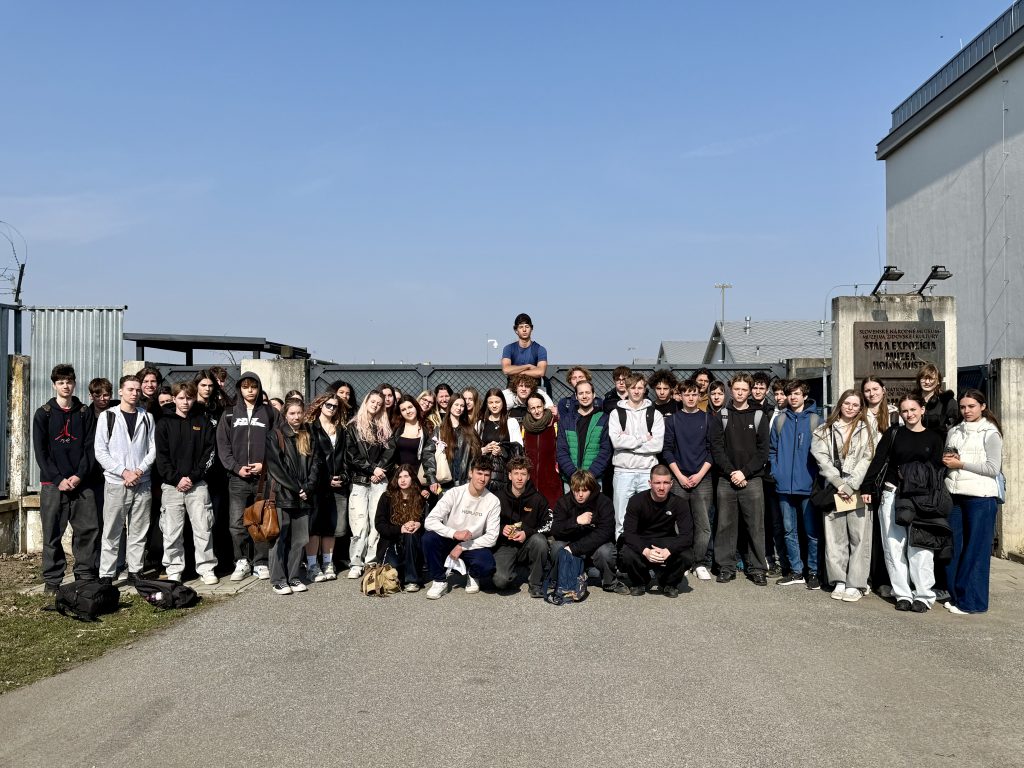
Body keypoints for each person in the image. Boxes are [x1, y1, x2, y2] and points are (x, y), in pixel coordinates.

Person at [862, 394, 946, 613]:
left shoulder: (934, 437)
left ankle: (924, 595)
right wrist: (867, 487)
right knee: (893, 545)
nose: (909, 414)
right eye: (905, 411)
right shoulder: (893, 434)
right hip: (892, 493)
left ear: (922, 410)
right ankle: (903, 594)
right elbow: (878, 461)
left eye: (913, 409)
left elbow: (937, 469)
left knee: (921, 546)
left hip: (922, 498)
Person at [32, 363, 99, 592]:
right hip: (53, 484)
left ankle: (85, 575)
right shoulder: (43, 414)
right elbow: (41, 452)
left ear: (74, 383)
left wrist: (79, 475)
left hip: (82, 483)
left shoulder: (84, 412)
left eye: (69, 382)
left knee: (87, 530)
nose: (65, 386)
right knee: (52, 533)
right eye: (61, 382)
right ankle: (52, 580)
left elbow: (90, 448)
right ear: (54, 385)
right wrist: (58, 478)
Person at [942, 389, 1003, 614]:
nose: (966, 411)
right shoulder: (954, 431)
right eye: (963, 407)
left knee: (976, 551)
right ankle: (957, 596)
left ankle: (973, 603)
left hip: (981, 498)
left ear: (982, 407)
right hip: (955, 495)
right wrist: (948, 461)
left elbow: (993, 468)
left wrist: (961, 464)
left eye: (971, 406)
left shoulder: (990, 432)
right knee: (954, 548)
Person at [811, 390, 874, 602]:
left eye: (855, 405)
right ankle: (838, 579)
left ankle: (856, 583)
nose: (850, 408)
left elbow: (868, 458)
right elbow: (822, 459)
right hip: (834, 488)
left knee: (859, 538)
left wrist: (851, 484)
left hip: (857, 488)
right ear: (840, 404)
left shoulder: (867, 429)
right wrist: (839, 483)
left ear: (860, 408)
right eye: (847, 403)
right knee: (835, 538)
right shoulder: (823, 430)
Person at [154, 381, 219, 585]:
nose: (185, 402)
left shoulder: (203, 422)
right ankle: (174, 569)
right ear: (174, 399)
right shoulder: (163, 423)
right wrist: (176, 479)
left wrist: (193, 477)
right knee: (171, 531)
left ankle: (206, 568)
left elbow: (209, 453)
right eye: (181, 398)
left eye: (189, 398)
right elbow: (161, 456)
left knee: (203, 528)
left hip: (197, 485)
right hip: (171, 486)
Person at [216, 372, 279, 582]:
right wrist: (236, 468)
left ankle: (261, 562)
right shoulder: (229, 414)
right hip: (238, 479)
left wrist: (265, 465)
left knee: (261, 519)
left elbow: (278, 443)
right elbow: (223, 445)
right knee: (236, 523)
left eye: (254, 386)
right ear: (240, 389)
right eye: (245, 387)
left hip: (263, 479)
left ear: (259, 388)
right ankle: (241, 561)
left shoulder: (270, 413)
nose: (250, 391)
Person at [94, 375, 156, 583]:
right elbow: (100, 451)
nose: (134, 393)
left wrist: (139, 471)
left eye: (137, 390)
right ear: (121, 391)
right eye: (130, 389)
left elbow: (153, 449)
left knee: (139, 530)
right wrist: (123, 472)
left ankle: (135, 571)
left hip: (142, 482)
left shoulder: (147, 417)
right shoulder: (108, 417)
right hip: (116, 483)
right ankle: (107, 574)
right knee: (112, 530)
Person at [709, 374, 770, 586]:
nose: (740, 393)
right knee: (725, 525)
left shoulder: (759, 416)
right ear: (731, 390)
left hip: (752, 480)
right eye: (737, 389)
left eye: (744, 389)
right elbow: (717, 449)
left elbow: (763, 452)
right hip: (726, 479)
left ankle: (757, 568)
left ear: (750, 391)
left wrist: (744, 473)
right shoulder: (722, 415)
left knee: (755, 526)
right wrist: (732, 473)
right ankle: (726, 567)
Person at [422, 458, 501, 599]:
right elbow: (430, 521)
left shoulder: (493, 501)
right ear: (471, 473)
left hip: (473, 544)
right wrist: (454, 533)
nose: (482, 479)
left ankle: (473, 574)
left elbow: (492, 537)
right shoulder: (454, 493)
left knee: (487, 565)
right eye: (479, 473)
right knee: (429, 538)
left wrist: (462, 546)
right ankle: (439, 580)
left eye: (486, 475)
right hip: (449, 539)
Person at [770, 380, 823, 590]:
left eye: (797, 394)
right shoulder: (780, 420)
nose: (793, 397)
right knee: (788, 530)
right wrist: (776, 471)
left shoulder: (816, 420)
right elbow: (772, 449)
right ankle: (796, 571)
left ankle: (813, 571)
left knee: (811, 531)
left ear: (804, 396)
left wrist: (815, 477)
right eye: (790, 394)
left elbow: (823, 453)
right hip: (784, 485)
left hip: (807, 484)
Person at [265, 401, 319, 595]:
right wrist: (297, 488)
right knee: (279, 538)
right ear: (285, 415)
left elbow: (316, 463)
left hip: (304, 496)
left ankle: (294, 577)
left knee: (300, 539)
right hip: (283, 494)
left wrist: (308, 487)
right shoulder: (275, 435)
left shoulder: (309, 434)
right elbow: (276, 468)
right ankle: (278, 579)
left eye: (299, 413)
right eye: (292, 413)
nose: (296, 417)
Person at [663, 379, 714, 581]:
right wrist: (679, 476)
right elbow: (667, 450)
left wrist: (699, 475)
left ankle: (698, 562)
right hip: (679, 478)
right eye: (687, 394)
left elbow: (712, 451)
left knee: (703, 524)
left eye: (694, 394)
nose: (691, 398)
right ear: (680, 396)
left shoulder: (708, 419)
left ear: (699, 396)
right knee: (678, 523)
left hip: (703, 478)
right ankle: (681, 560)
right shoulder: (673, 420)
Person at [618, 465, 694, 597]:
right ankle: (640, 582)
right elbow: (629, 533)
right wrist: (646, 551)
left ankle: (669, 583)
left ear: (671, 484)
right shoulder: (636, 501)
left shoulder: (680, 503)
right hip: (643, 540)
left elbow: (687, 535)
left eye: (666, 483)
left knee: (687, 555)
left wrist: (669, 550)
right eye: (657, 483)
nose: (661, 487)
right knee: (627, 553)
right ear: (650, 483)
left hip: (667, 541)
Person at [344, 390, 396, 578]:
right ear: (366, 402)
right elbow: (351, 455)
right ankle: (356, 563)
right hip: (359, 481)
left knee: (376, 522)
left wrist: (380, 469)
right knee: (359, 524)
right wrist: (372, 469)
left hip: (380, 481)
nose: (376, 405)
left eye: (379, 403)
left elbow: (391, 451)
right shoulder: (353, 427)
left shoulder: (384, 427)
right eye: (373, 401)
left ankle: (371, 561)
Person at [608, 373, 665, 539]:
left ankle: (646, 551)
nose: (636, 391)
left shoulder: (655, 414)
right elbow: (616, 442)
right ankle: (622, 551)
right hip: (623, 471)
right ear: (627, 389)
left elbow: (657, 445)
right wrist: (643, 439)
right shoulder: (616, 413)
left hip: (647, 471)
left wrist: (628, 442)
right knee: (621, 518)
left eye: (640, 387)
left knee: (648, 517)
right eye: (633, 387)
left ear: (645, 389)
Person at [304, 393, 348, 582]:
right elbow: (310, 457)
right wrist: (325, 479)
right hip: (317, 484)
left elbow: (345, 456)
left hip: (338, 485)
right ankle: (312, 565)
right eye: (328, 405)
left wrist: (343, 476)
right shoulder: (310, 427)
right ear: (320, 405)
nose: (331, 408)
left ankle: (328, 563)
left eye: (335, 406)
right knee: (314, 526)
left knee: (332, 526)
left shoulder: (341, 429)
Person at [492, 456, 551, 596]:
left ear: (528, 476)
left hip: (528, 543)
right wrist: (501, 528)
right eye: (516, 473)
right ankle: (513, 572)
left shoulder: (538, 498)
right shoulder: (497, 497)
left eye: (523, 474)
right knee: (500, 581)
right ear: (509, 475)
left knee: (539, 540)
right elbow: (486, 523)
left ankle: (535, 583)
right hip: (505, 545)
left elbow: (549, 524)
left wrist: (527, 532)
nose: (519, 478)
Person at [550, 470, 617, 592]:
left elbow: (605, 532)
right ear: (572, 489)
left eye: (584, 490)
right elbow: (555, 530)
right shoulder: (564, 502)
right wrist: (576, 521)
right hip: (571, 542)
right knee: (556, 547)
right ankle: (557, 579)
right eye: (577, 490)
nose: (580, 495)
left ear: (591, 489)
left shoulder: (604, 502)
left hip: (594, 546)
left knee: (606, 551)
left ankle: (609, 582)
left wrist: (574, 548)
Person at [373, 465, 427, 592]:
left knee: (411, 535)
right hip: (392, 543)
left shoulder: (420, 498)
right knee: (394, 574)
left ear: (412, 478)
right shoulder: (387, 497)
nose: (402, 480)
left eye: (406, 476)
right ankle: (405, 573)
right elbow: (379, 524)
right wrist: (400, 529)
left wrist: (419, 524)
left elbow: (430, 522)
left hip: (412, 544)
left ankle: (412, 580)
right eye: (399, 477)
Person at [555, 379, 611, 489]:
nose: (584, 396)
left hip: (594, 479)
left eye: (587, 392)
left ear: (594, 395)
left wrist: (589, 476)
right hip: (571, 479)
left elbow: (605, 450)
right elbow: (561, 450)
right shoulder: (566, 420)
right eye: (581, 393)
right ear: (576, 396)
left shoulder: (604, 419)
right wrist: (574, 475)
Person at [476, 387, 523, 493]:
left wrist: (502, 451)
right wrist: (484, 450)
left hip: (504, 473)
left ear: (503, 403)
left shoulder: (511, 422)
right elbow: (473, 450)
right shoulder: (480, 424)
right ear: (487, 404)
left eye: (497, 402)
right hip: (484, 472)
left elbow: (518, 448)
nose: (494, 405)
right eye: (490, 402)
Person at [520, 393, 561, 507]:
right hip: (530, 477)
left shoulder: (554, 423)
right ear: (528, 410)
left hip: (551, 475)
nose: (537, 411)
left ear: (544, 406)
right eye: (533, 408)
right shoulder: (524, 426)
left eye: (539, 407)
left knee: (551, 508)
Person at [394, 395, 439, 495]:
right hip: (400, 480)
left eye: (410, 407)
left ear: (416, 406)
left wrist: (431, 479)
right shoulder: (396, 428)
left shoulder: (427, 427)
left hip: (420, 480)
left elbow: (428, 455)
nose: (408, 411)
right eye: (403, 410)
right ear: (400, 413)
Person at [437, 394, 481, 487]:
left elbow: (477, 453)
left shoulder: (469, 429)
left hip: (465, 481)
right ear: (450, 406)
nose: (459, 408)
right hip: (445, 481)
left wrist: (472, 471)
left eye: (462, 406)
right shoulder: (440, 430)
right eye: (456, 405)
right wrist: (432, 479)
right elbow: (428, 454)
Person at [501, 312, 548, 381]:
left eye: (527, 327)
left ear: (531, 329)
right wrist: (528, 366)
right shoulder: (509, 348)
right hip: (513, 386)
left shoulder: (540, 349)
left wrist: (520, 373)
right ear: (516, 330)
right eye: (521, 327)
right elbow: (506, 370)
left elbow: (541, 372)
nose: (524, 330)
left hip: (535, 386)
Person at [916, 363, 958, 438]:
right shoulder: (911, 401)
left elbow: (954, 429)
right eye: (924, 378)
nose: (927, 382)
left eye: (931, 379)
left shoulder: (948, 402)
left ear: (938, 381)